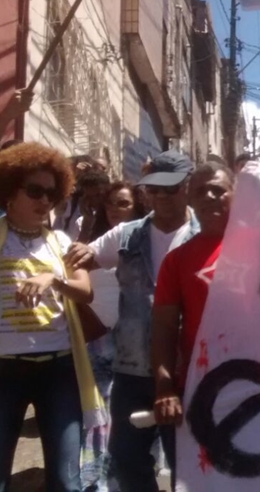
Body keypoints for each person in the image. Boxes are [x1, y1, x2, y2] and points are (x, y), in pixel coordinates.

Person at [64, 151, 199, 492]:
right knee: (127, 461)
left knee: (189, 465)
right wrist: (79, 263)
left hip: (190, 372)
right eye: (153, 189)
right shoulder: (126, 235)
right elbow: (81, 258)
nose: (161, 196)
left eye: (170, 189)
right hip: (132, 370)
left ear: (187, 187)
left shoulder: (206, 234)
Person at [0, 142, 103, 492]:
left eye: (51, 193)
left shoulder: (62, 242)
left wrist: (54, 280)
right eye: (34, 191)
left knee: (64, 479)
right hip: (3, 371)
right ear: (9, 192)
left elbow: (85, 292)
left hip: (59, 371)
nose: (45, 200)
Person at [151, 163, 234, 431]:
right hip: (201, 389)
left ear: (236, 194)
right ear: (190, 200)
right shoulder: (176, 261)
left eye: (218, 190)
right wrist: (164, 387)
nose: (209, 196)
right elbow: (164, 328)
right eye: (200, 192)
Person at [80, 181, 144, 492]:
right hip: (96, 334)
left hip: (134, 337)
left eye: (123, 203)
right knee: (97, 410)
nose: (115, 210)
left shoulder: (143, 238)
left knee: (129, 410)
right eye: (110, 204)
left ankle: (130, 474)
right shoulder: (87, 235)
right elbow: (71, 271)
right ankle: (96, 480)